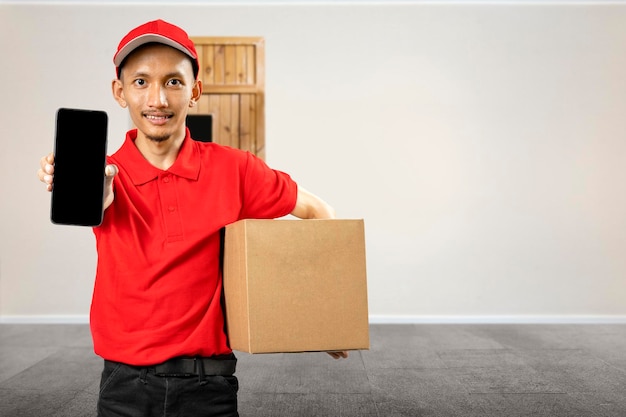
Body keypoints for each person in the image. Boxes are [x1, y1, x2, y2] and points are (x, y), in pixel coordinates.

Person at [38, 19, 347, 417]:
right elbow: (100, 196)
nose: (157, 100)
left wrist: (328, 316)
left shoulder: (235, 170)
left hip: (210, 385)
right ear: (119, 92)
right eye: (141, 82)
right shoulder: (103, 174)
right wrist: (78, 185)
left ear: (195, 91)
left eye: (173, 82)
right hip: (124, 387)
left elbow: (321, 212)